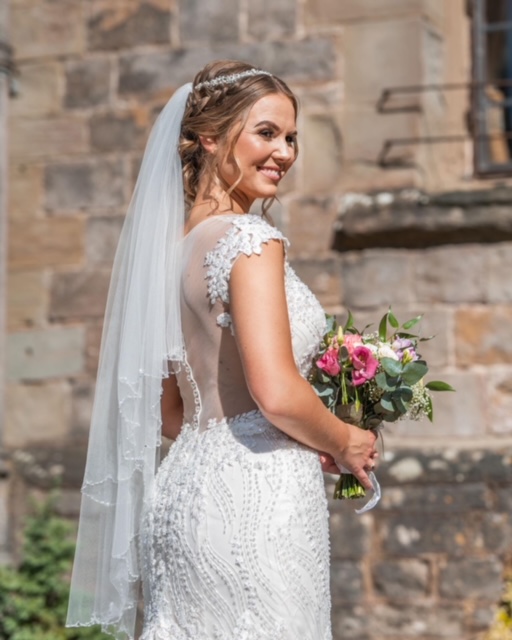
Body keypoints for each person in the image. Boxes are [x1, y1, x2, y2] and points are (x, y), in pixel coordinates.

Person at [67, 60, 378, 640]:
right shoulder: (250, 240)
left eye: (291, 138)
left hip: (182, 492)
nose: (284, 152)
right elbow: (278, 393)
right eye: (266, 133)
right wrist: (347, 441)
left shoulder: (169, 252)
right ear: (210, 136)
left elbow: (169, 414)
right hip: (256, 497)